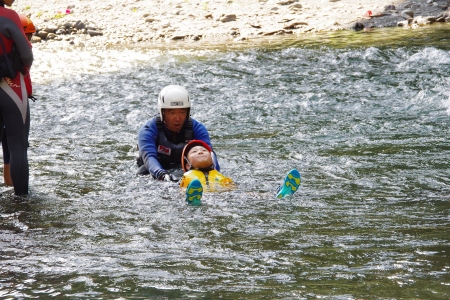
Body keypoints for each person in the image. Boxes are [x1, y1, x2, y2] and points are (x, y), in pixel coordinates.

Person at [137, 85, 220, 181]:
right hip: (155, 169)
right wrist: (162, 175)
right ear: (162, 112)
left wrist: (214, 173)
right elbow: (149, 157)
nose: (177, 118)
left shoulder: (197, 128)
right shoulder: (148, 130)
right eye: (172, 113)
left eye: (182, 112)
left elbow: (210, 154)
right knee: (141, 173)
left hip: (186, 167)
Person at [180, 140, 301, 205]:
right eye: (194, 152)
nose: (200, 152)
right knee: (186, 193)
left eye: (203, 150)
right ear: (187, 165)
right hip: (202, 196)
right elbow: (179, 191)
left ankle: (280, 194)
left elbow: (234, 190)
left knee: (246, 194)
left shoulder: (221, 177)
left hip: (223, 198)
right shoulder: (187, 177)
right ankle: (194, 200)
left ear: (212, 159)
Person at [0, 0, 34, 196]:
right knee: (17, 145)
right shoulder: (9, 16)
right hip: (10, 84)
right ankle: (22, 203)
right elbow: (27, 55)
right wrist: (21, 71)